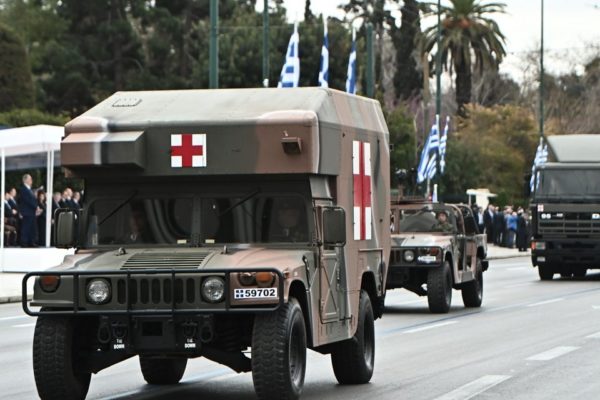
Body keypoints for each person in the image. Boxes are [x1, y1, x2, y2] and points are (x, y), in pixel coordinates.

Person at [17, 174, 41, 247]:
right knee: (26, 227)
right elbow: (28, 200)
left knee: (32, 228)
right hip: (27, 212)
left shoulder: (29, 189)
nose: (31, 180)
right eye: (30, 179)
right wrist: (36, 207)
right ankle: (24, 242)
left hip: (31, 212)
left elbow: (33, 200)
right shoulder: (23, 189)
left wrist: (36, 206)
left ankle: (31, 242)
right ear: (25, 180)